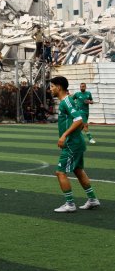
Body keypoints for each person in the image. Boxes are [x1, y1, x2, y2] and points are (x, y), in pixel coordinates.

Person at [49, 76, 100, 213]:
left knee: (60, 172)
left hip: (72, 144)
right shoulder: (68, 100)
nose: (51, 89)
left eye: (52, 86)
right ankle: (93, 199)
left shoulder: (66, 101)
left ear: (59, 87)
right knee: (78, 170)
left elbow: (78, 120)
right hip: (76, 142)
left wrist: (64, 136)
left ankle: (70, 204)